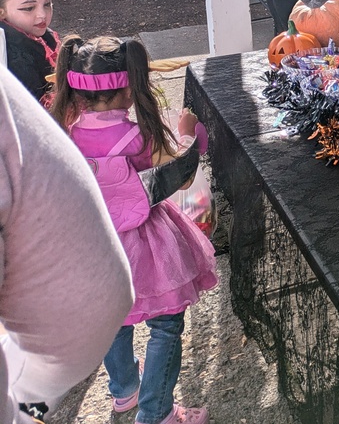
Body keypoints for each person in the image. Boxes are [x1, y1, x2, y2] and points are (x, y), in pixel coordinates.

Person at [50, 35, 218, 424]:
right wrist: (190, 132)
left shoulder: (64, 134)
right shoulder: (139, 136)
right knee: (165, 324)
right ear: (130, 87)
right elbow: (180, 175)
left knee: (112, 318)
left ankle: (125, 390)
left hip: (92, 246)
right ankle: (156, 413)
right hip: (147, 244)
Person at [1, 65, 135, 424]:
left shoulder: (74, 131)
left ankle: (124, 387)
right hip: (31, 377)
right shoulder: (133, 137)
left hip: (35, 376)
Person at [0, 0, 59, 102]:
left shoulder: (43, 35)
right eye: (29, 8)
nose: (42, 15)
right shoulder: (13, 58)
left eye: (47, 4)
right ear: (1, 12)